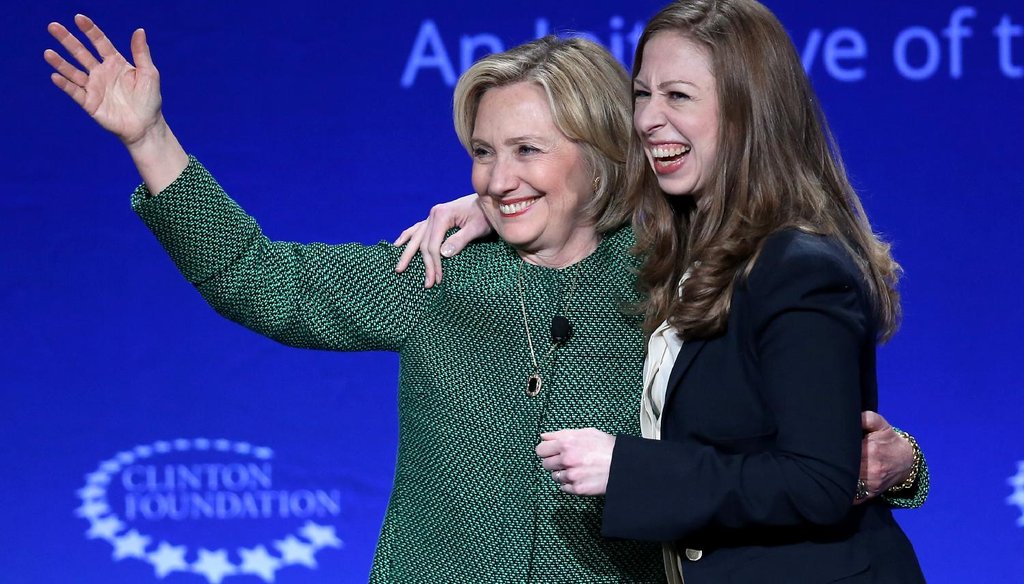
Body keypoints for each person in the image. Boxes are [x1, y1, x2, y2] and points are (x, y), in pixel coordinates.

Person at [44, 10, 923, 584]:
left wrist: (906, 465)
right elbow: (260, 277)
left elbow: (794, 433)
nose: (498, 178)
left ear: (604, 154)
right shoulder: (435, 276)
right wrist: (151, 139)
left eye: (528, 151)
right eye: (482, 152)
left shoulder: (674, 275)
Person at [397, 1, 928, 582]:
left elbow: (817, 481)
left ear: (747, 112)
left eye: (677, 96)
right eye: (642, 94)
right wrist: (499, 199)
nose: (648, 118)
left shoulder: (795, 266)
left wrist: (629, 468)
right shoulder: (683, 246)